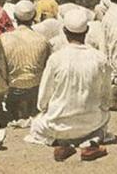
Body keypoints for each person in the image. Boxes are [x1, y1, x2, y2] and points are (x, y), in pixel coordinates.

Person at [27, 10, 112, 147]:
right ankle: (94, 138)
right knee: (104, 118)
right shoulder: (100, 58)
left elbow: (43, 100)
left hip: (58, 124)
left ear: (64, 31)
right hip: (91, 123)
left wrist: (46, 109)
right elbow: (106, 97)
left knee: (36, 124)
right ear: (87, 30)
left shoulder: (56, 58)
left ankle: (60, 141)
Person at [0, 0, 51, 122]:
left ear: (14, 16)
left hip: (13, 91)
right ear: (34, 16)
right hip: (36, 91)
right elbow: (47, 69)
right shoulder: (42, 40)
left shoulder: (3, 39)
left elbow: (1, 70)